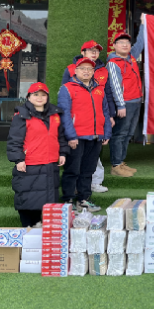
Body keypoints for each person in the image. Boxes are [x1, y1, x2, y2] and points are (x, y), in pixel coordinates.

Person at [62, 39, 126, 190]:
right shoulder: (71, 69)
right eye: (91, 50)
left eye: (96, 51)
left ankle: (95, 182)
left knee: (93, 154)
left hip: (97, 119)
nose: (94, 53)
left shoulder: (103, 70)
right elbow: (65, 95)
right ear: (82, 52)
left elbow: (107, 94)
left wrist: (110, 115)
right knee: (77, 155)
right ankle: (75, 187)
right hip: (78, 120)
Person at [6, 82, 69, 228]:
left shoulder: (55, 114)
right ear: (29, 97)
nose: (39, 98)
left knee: (47, 199)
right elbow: (14, 140)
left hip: (50, 163)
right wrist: (18, 159)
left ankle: (40, 228)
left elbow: (60, 136)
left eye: (43, 95)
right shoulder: (21, 115)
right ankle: (28, 227)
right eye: (36, 95)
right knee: (27, 198)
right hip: (30, 163)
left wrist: (63, 152)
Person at [57, 57, 113, 212]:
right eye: (83, 68)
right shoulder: (67, 88)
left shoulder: (99, 89)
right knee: (72, 170)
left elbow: (105, 112)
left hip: (96, 137)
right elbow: (64, 114)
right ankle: (68, 201)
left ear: (93, 71)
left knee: (88, 171)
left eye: (89, 69)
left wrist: (106, 132)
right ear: (75, 71)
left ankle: (84, 200)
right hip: (76, 137)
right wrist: (71, 136)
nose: (86, 71)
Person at [106, 13, 147, 176]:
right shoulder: (113, 63)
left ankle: (121, 162)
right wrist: (120, 105)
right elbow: (115, 86)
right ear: (114, 46)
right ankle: (116, 165)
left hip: (136, 101)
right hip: (125, 103)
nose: (125, 45)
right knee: (120, 134)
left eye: (127, 43)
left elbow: (141, 43)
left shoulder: (131, 57)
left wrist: (143, 23)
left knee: (129, 133)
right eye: (121, 42)